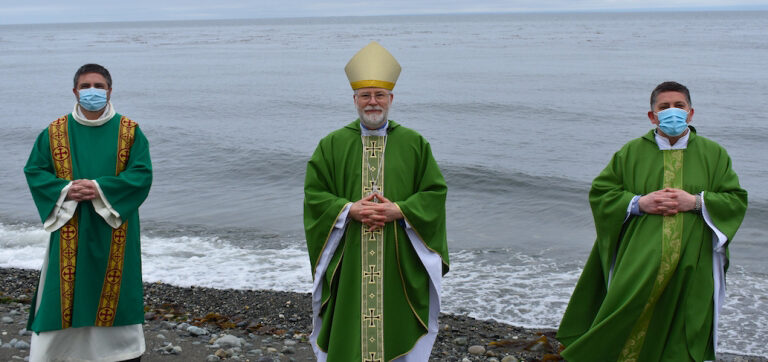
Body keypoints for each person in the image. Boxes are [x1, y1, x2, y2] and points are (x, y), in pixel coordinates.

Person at [557, 81, 748, 361]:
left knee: (686, 317)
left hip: (693, 257)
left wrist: (695, 202)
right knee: (626, 306)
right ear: (652, 116)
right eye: (664, 107)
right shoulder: (631, 152)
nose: (673, 112)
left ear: (691, 112)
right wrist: (639, 203)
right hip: (640, 255)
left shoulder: (714, 153)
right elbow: (602, 193)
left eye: (679, 106)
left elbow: (735, 199)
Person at [303, 41, 450, 361]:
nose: (373, 102)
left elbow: (434, 192)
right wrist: (348, 209)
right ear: (355, 100)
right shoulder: (331, 144)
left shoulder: (414, 144)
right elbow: (314, 195)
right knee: (349, 331)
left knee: (397, 329)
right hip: (350, 258)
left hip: (398, 262)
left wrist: (401, 210)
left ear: (391, 99)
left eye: (379, 95)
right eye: (365, 95)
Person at [24, 63, 152, 361]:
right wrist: (65, 190)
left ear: (110, 91)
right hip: (70, 223)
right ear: (74, 91)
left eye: (98, 86)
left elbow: (141, 174)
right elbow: (35, 171)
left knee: (115, 288)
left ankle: (120, 353)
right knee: (62, 289)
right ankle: (57, 353)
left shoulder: (130, 132)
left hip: (114, 226)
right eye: (85, 86)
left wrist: (99, 188)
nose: (92, 91)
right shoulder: (54, 132)